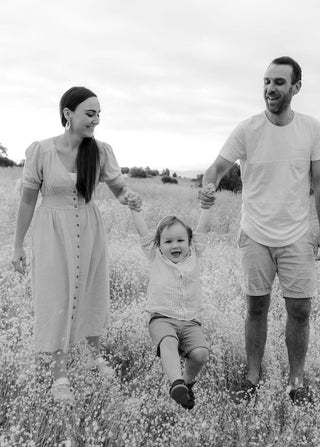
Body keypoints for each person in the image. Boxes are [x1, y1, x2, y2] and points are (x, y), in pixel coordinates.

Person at [200, 56, 320, 405]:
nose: (270, 88)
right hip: (254, 233)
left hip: (297, 235)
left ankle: (296, 380)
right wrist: (208, 187)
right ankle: (252, 376)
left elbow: (318, 181)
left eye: (279, 82)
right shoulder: (247, 129)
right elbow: (215, 169)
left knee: (300, 311)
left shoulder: (311, 128)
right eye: (267, 81)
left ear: (296, 88)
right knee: (256, 307)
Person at [12, 86, 141, 403]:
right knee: (55, 294)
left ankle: (93, 357)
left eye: (99, 114)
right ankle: (60, 375)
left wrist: (129, 197)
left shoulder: (101, 151)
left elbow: (118, 188)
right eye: (89, 113)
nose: (96, 119)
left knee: (92, 290)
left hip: (89, 227)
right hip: (52, 231)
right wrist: (17, 246)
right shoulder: (40, 151)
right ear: (68, 114)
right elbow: (28, 202)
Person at [129, 186, 214, 409]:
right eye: (168, 242)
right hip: (162, 318)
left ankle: (186, 384)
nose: (174, 245)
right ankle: (176, 382)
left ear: (189, 242)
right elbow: (143, 234)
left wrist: (206, 207)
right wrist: (134, 210)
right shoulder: (155, 256)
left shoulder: (195, 254)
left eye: (180, 240)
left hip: (190, 321)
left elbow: (202, 228)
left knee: (201, 354)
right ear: (159, 245)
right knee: (168, 342)